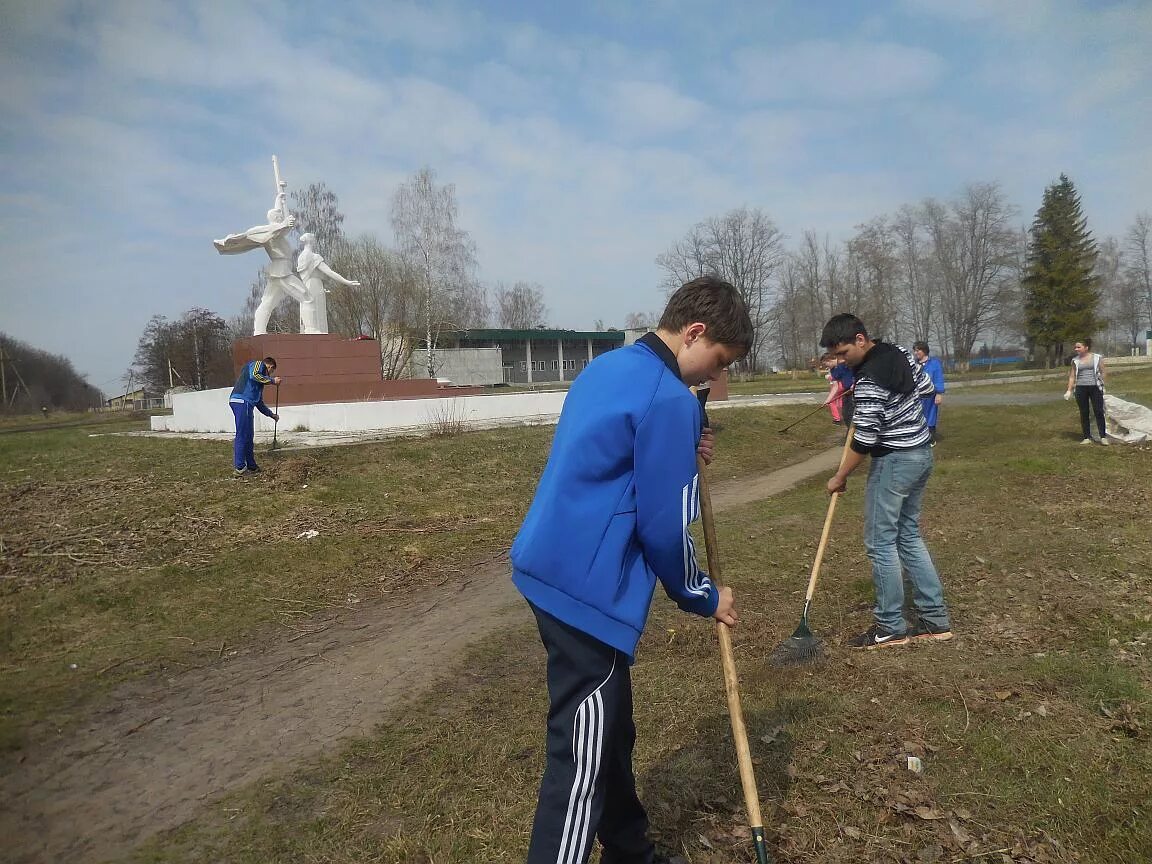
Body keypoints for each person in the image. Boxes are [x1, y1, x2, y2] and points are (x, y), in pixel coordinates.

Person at [511, 275, 752, 864]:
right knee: (581, 757)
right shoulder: (669, 400)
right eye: (719, 361)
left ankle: (628, 851)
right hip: (588, 591)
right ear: (695, 332)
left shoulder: (611, 366)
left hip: (550, 561)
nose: (715, 376)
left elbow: (614, 451)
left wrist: (682, 441)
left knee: (610, 728)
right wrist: (703, 595)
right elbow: (664, 528)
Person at [820, 313, 952, 649]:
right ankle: (935, 619)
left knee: (881, 543)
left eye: (843, 353)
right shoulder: (900, 353)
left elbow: (865, 438)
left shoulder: (868, 381)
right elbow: (925, 387)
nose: (841, 361)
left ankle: (891, 625)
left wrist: (840, 476)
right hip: (921, 454)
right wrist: (895, 404)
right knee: (908, 535)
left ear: (861, 339)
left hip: (895, 461)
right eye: (835, 356)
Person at [214, 191, 312, 336]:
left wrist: (279, 199)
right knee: (306, 297)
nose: (282, 218)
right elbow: (278, 228)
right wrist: (285, 223)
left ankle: (259, 330)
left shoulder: (276, 230)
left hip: (281, 271)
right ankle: (311, 329)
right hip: (282, 271)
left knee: (268, 302)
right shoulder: (268, 233)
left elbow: (281, 224)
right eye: (279, 217)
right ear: (276, 219)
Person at [296, 233, 360, 335]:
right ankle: (313, 329)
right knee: (316, 308)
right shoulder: (314, 257)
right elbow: (329, 272)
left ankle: (310, 328)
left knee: (308, 305)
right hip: (315, 285)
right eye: (314, 240)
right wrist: (346, 282)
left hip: (306, 285)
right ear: (311, 241)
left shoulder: (301, 257)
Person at [228, 356, 280, 476]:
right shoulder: (258, 365)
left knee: (249, 435)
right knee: (243, 434)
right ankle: (240, 467)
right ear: (270, 366)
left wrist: (271, 415)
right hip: (242, 401)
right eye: (271, 371)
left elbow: (259, 403)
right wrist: (273, 381)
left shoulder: (257, 385)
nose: (269, 375)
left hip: (246, 403)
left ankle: (251, 466)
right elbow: (254, 375)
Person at [1065, 339, 1108, 445]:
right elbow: (1072, 376)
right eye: (1075, 347)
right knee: (1084, 412)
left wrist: (1102, 384)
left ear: (1086, 347)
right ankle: (1086, 437)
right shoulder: (1075, 360)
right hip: (1081, 388)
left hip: (1095, 387)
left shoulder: (1097, 358)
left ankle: (1103, 436)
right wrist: (1069, 390)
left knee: (1098, 411)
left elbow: (1103, 372)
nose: (1076, 349)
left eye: (1079, 347)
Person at [912, 341, 944, 445]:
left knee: (930, 417)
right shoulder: (913, 364)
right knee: (917, 417)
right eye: (915, 350)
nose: (916, 353)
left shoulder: (934, 364)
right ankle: (918, 439)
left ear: (924, 350)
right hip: (916, 396)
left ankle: (931, 438)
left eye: (918, 350)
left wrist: (939, 393)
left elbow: (938, 378)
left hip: (930, 396)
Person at [829, 354, 855, 426]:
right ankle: (849, 428)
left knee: (851, 413)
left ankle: (851, 430)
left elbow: (858, 374)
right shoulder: (835, 369)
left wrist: (854, 383)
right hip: (846, 391)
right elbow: (835, 385)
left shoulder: (850, 364)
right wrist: (828, 400)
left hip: (853, 392)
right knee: (845, 413)